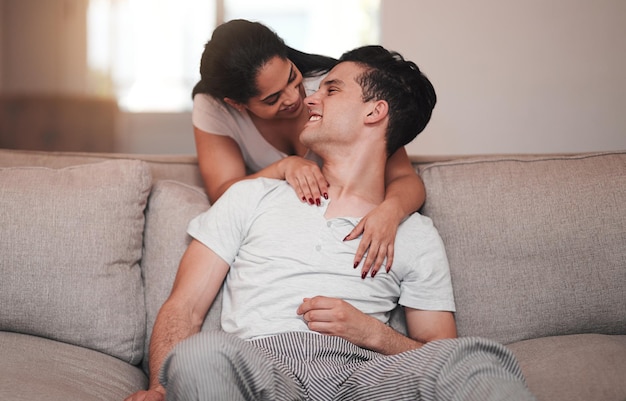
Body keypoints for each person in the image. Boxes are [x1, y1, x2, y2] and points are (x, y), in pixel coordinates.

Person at [126, 45, 535, 401]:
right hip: (260, 367)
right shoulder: (252, 197)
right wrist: (163, 387)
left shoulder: (413, 233)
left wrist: (372, 334)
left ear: (375, 113)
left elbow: (440, 349)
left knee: (475, 358)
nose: (309, 98)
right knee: (199, 355)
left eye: (331, 89)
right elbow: (184, 307)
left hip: (363, 373)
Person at [192, 19, 427, 277]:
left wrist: (389, 213)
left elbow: (406, 178)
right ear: (236, 104)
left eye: (292, 77)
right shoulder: (213, 108)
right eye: (272, 99)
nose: (296, 98)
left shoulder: (329, 89)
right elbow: (223, 193)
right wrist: (283, 167)